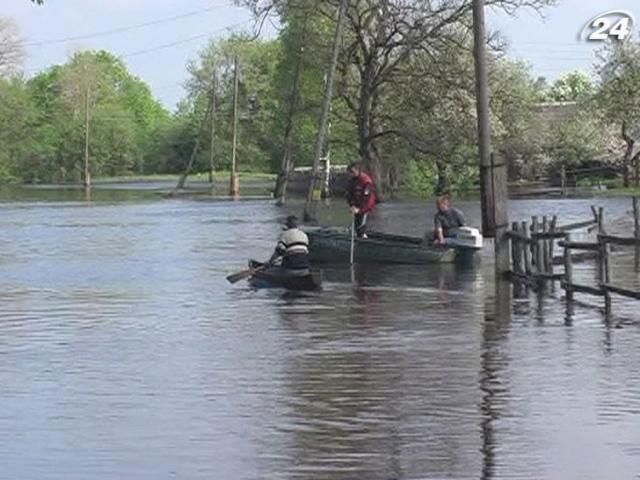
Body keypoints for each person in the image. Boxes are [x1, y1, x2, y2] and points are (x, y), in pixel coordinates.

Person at [345, 162, 378, 238]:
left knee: (361, 227)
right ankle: (357, 237)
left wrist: (360, 210)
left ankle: (363, 238)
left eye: (352, 172)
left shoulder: (366, 181)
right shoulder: (352, 181)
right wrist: (352, 205)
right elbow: (349, 194)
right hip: (356, 206)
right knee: (356, 226)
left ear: (357, 170)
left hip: (366, 208)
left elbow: (368, 200)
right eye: (350, 173)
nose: (351, 174)